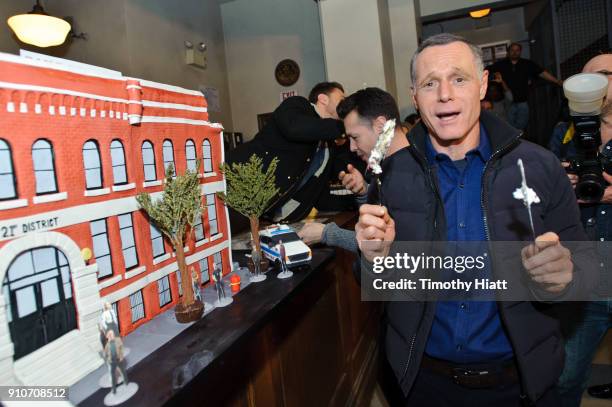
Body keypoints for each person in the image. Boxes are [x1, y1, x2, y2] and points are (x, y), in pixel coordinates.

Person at [356, 33, 594, 406]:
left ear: (482, 84)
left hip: (522, 385)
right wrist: (375, 260)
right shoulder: (390, 178)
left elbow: (585, 269)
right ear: (414, 96)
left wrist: (566, 274)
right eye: (430, 83)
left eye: (459, 79)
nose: (445, 94)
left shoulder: (539, 166)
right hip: (425, 386)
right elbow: (379, 287)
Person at [549, 52, 612, 406]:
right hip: (583, 277)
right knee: (566, 375)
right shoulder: (565, 131)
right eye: (583, 78)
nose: (592, 85)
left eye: (602, 74)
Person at [299, 88, 408, 253]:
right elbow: (376, 229)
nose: (352, 147)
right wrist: (364, 191)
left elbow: (393, 249)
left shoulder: (407, 175)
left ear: (380, 125)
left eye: (355, 137)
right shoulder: (390, 168)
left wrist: (327, 233)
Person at [227, 82, 356, 222]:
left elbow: (319, 197)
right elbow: (293, 128)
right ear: (323, 99)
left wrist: (361, 200)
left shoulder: (327, 145)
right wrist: (349, 126)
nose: (345, 106)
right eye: (341, 100)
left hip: (263, 216)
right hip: (235, 188)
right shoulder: (297, 104)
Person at [488, 42, 562, 130]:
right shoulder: (501, 65)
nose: (515, 52)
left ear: (520, 52)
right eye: (512, 50)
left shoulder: (527, 64)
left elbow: (541, 72)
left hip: (523, 102)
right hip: (507, 104)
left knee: (521, 129)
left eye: (517, 50)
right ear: (508, 51)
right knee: (509, 129)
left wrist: (557, 81)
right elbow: (487, 71)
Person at [104, 330, 129, 394]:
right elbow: (106, 353)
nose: (111, 336)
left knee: (123, 371)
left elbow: (121, 348)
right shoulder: (107, 344)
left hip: (118, 359)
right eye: (109, 335)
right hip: (112, 361)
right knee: (113, 375)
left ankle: (126, 382)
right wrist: (108, 360)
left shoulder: (118, 340)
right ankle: (114, 389)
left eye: (112, 334)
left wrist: (121, 356)